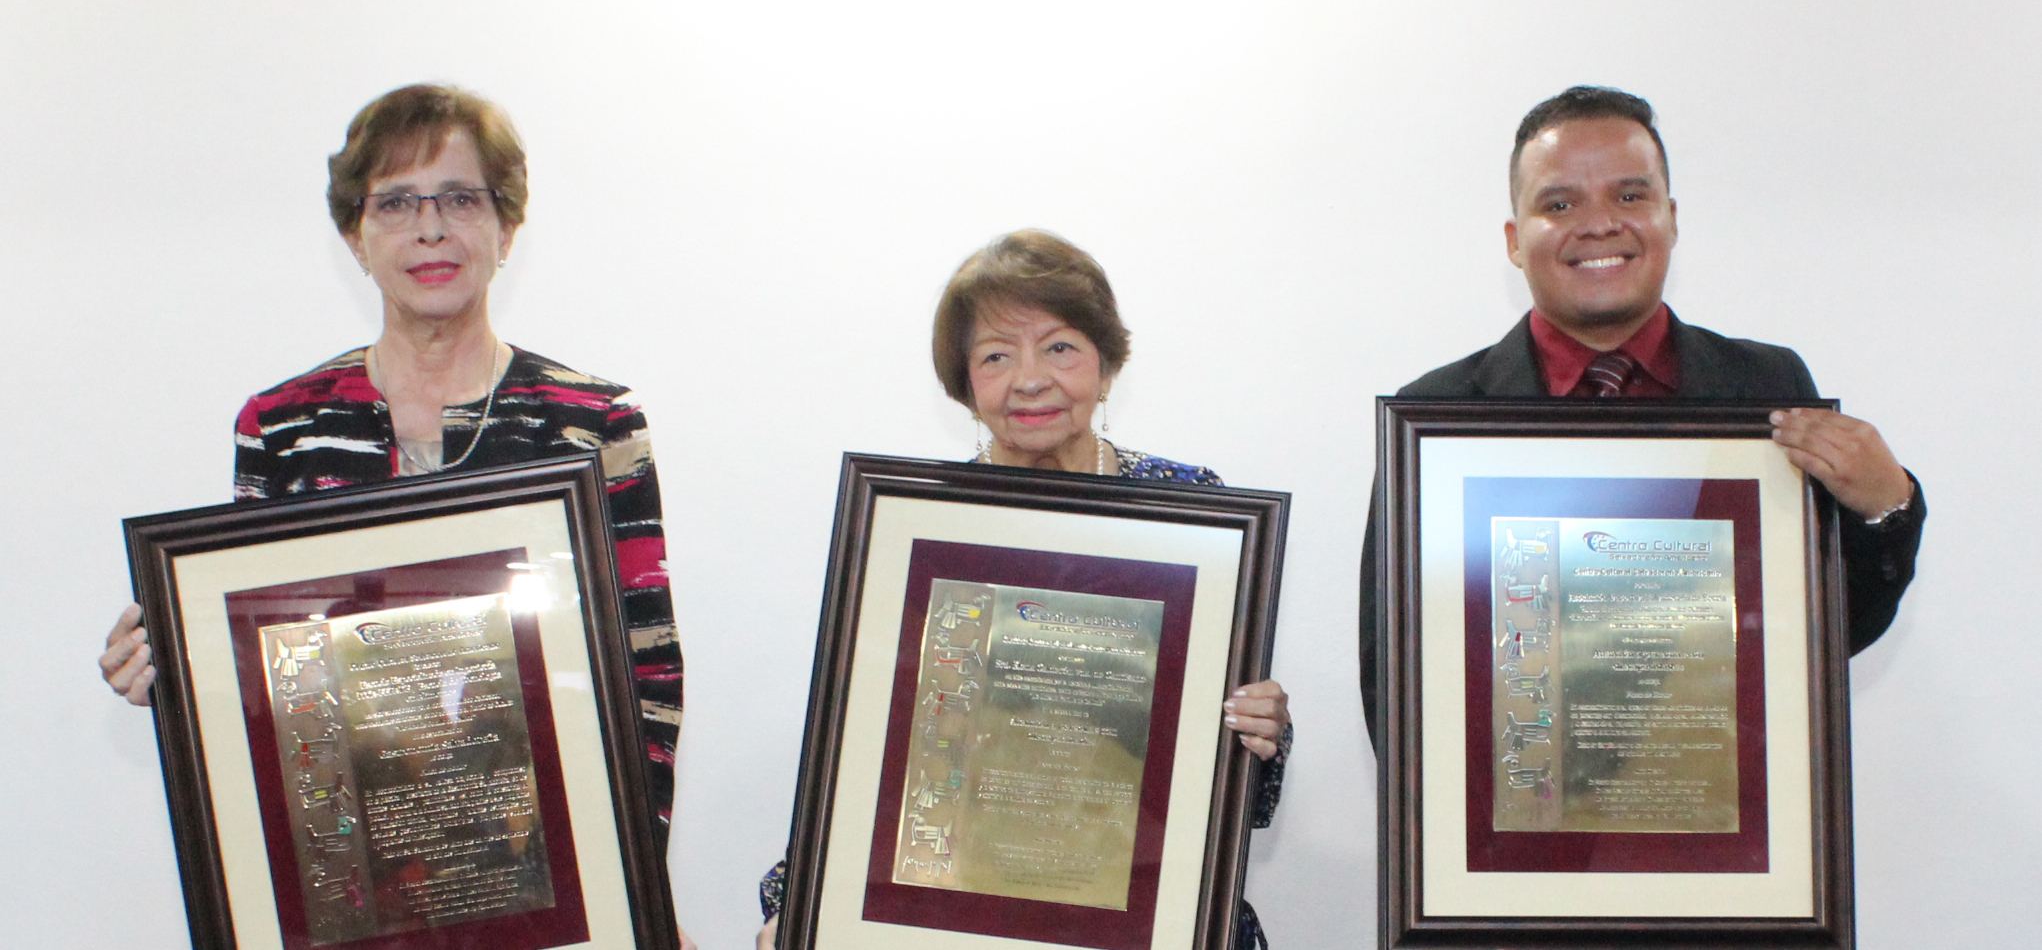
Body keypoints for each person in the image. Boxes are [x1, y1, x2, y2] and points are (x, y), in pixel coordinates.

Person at [95, 84, 694, 948]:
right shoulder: (284, 425)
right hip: (356, 895)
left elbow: (651, 674)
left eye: (461, 197)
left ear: (506, 226)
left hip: (552, 871)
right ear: (355, 234)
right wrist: (179, 675)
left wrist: (620, 878)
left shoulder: (594, 424)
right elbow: (267, 674)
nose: (431, 229)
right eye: (397, 202)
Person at [755, 230, 1292, 950]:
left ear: (1106, 368)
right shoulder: (919, 537)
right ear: (966, 386)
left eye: (1060, 347)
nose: (1029, 378)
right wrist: (804, 908)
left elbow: (1232, 792)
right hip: (962, 907)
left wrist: (1261, 729)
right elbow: (872, 759)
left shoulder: (1188, 511)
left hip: (1139, 905)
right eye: (996, 355)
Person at [1358, 85, 1925, 742]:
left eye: (1630, 196)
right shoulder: (1437, 419)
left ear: (1672, 218)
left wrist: (1888, 506)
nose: (1600, 224)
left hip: (1721, 816)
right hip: (1518, 826)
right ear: (1515, 239)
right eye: (1559, 203)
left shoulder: (1767, 390)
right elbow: (1395, 682)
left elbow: (1826, 632)